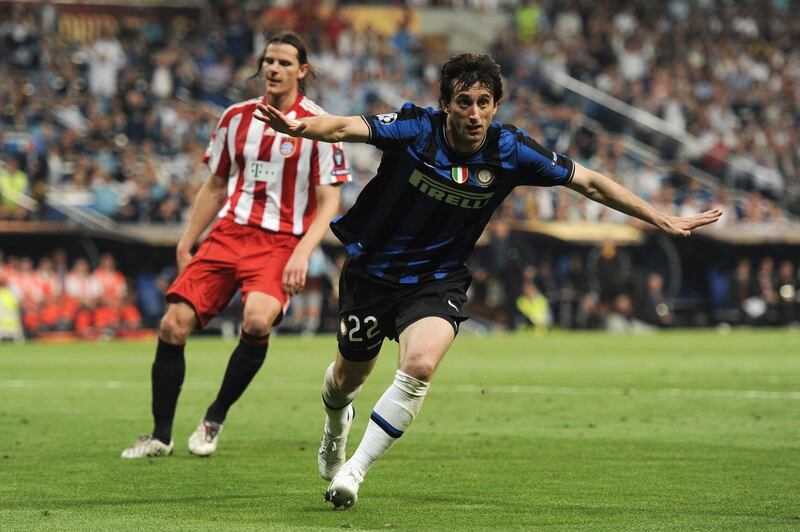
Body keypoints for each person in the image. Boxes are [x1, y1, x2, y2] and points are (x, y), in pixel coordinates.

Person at [255, 53, 721, 508]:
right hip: (372, 273)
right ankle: (336, 429)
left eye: (483, 102)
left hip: (438, 280)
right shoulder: (416, 129)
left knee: (419, 366)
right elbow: (343, 127)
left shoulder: (510, 150)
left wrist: (659, 216)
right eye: (463, 102)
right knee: (345, 378)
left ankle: (354, 471)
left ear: (496, 106)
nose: (474, 113)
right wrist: (302, 128)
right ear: (445, 104)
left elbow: (590, 183)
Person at [122, 31, 351, 459]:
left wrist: (303, 252)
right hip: (229, 233)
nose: (273, 68)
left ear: (302, 70)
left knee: (258, 320)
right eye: (269, 60)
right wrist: (188, 239)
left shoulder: (318, 124)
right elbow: (215, 184)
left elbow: (329, 202)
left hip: (280, 241)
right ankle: (160, 435)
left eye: (284, 62)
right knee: (172, 324)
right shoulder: (235, 117)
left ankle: (214, 418)